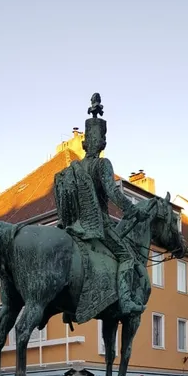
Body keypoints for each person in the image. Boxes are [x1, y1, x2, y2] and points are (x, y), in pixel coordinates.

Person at [55, 94, 153, 316]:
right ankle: (126, 301)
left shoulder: (75, 167)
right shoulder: (102, 164)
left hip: (76, 227)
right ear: (103, 144)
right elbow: (113, 194)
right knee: (127, 256)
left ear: (83, 143)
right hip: (99, 225)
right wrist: (132, 209)